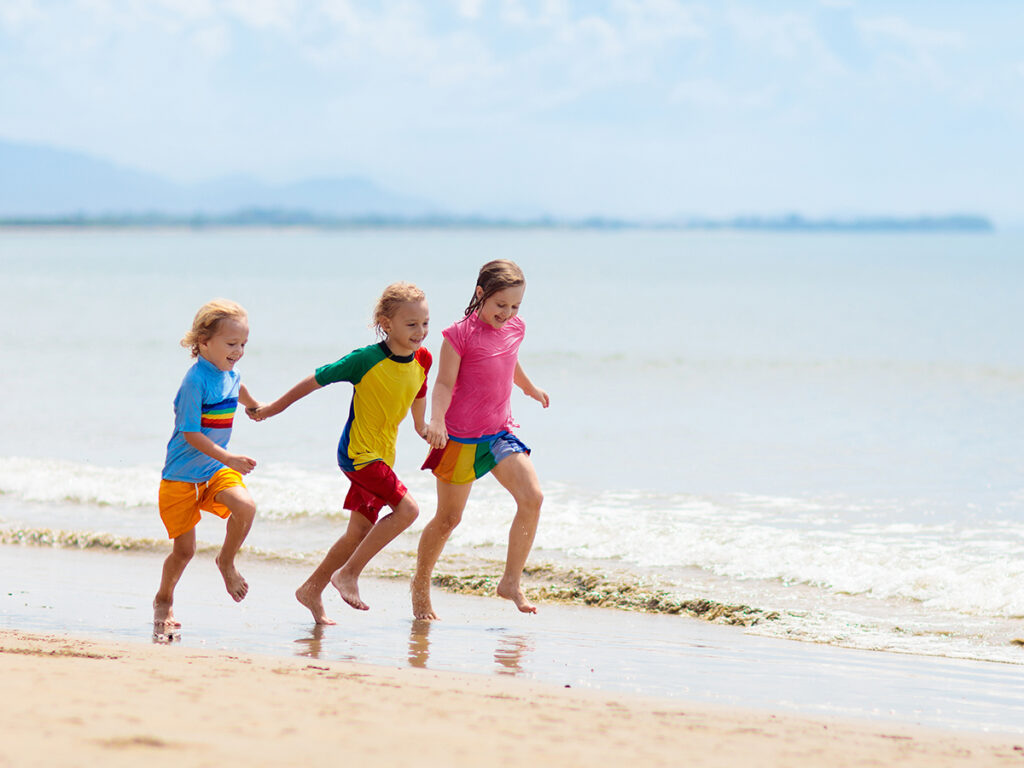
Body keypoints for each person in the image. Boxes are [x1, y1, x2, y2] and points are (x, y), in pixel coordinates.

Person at [248, 283, 431, 623]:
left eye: (425, 323)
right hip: (358, 455)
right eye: (411, 324)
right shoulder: (365, 359)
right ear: (386, 323)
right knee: (408, 510)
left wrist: (422, 427)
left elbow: (418, 390)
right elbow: (316, 379)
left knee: (358, 532)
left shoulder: (423, 358)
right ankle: (349, 574)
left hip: (382, 456)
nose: (420, 332)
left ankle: (311, 589)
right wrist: (272, 408)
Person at [413, 260, 549, 620]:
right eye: (500, 305)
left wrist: (529, 387)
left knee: (532, 498)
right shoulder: (458, 335)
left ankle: (510, 581)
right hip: (458, 437)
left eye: (515, 306)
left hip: (500, 432)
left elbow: (509, 361)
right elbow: (442, 383)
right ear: (480, 294)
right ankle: (420, 586)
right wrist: (436, 421)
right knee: (448, 519)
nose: (507, 313)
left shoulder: (515, 328)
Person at [154, 299, 260, 631]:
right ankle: (164, 600)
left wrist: (253, 404)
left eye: (243, 344)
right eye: (231, 344)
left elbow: (237, 386)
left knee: (246, 507)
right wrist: (228, 457)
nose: (239, 351)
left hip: (212, 470)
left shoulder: (231, 371)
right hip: (182, 477)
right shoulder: (194, 381)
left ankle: (226, 561)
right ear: (204, 342)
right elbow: (189, 433)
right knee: (184, 551)